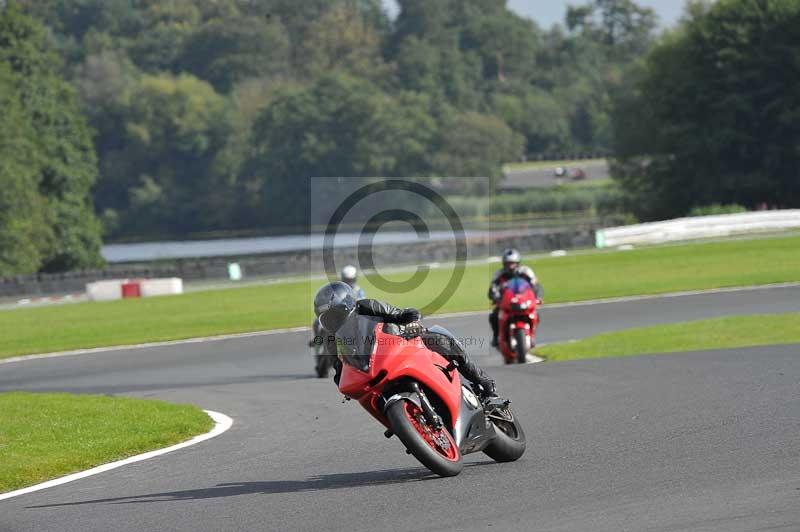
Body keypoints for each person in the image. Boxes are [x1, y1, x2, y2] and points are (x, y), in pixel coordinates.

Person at [314, 282, 497, 398]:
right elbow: (339, 369)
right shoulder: (332, 339)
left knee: (440, 340)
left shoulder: (365, 306)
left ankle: (482, 381)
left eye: (335, 314)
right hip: (374, 368)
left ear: (346, 305)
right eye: (328, 318)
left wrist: (408, 316)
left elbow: (395, 313)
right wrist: (345, 385)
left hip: (400, 342)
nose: (333, 320)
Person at [487, 248, 542, 348]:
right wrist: (495, 297)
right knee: (494, 316)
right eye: (508, 263)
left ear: (518, 262)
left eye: (513, 263)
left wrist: (538, 297)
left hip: (523, 300)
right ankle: (496, 337)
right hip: (505, 302)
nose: (510, 266)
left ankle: (532, 336)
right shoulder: (499, 274)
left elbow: (536, 285)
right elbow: (492, 289)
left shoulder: (526, 272)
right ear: (504, 263)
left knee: (535, 314)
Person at [309, 265, 365, 347]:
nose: (349, 282)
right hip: (338, 310)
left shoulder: (359, 290)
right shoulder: (338, 288)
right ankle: (318, 339)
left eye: (351, 279)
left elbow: (362, 302)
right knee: (317, 321)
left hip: (352, 311)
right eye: (347, 279)